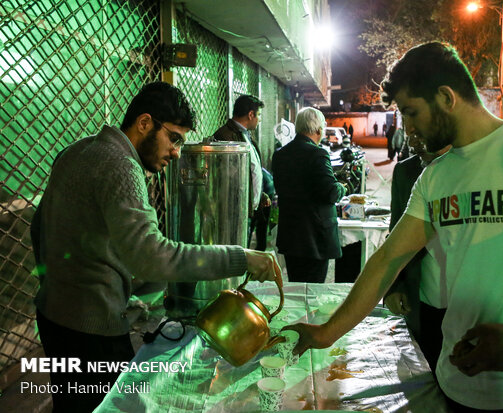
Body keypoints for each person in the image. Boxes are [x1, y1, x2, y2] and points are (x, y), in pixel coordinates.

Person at [284, 42, 503, 413]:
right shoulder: (435, 177)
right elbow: (388, 259)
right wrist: (325, 333)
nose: (406, 128)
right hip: (453, 382)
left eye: (411, 112)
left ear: (446, 97)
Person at [31, 82, 280, 413]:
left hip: (52, 317)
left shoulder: (77, 150)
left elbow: (41, 228)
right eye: (174, 138)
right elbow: (153, 257)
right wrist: (240, 257)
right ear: (144, 123)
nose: (176, 151)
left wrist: (103, 287)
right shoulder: (122, 165)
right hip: (92, 331)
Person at [384, 135, 450, 374]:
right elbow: (396, 234)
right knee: (425, 369)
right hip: (424, 295)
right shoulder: (406, 171)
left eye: (415, 117)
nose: (412, 136)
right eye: (405, 120)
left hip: (467, 301)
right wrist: (394, 285)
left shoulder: (475, 167)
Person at [272, 107, 347, 283]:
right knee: (313, 292)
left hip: (291, 235)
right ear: (319, 129)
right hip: (315, 238)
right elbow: (330, 192)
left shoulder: (280, 155)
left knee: (296, 288)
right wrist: (341, 187)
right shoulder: (317, 153)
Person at [210, 94, 271, 242]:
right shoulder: (225, 135)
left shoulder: (244, 135)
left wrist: (258, 194)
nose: (260, 119)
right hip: (234, 210)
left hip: (247, 207)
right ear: (251, 115)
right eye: (259, 115)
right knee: (236, 249)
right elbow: (229, 176)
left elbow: (250, 170)